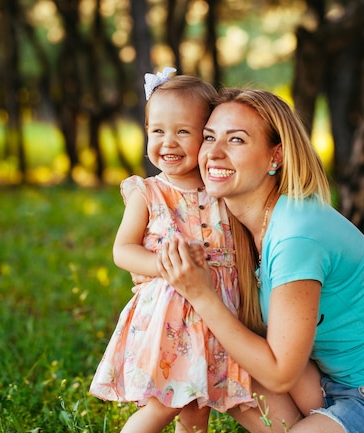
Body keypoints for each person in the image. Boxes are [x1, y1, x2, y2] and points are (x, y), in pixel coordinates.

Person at [157, 88, 364, 433]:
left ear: (275, 156)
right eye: (208, 137)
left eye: (236, 140)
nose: (214, 153)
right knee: (220, 356)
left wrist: (201, 294)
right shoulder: (238, 226)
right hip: (323, 387)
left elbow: (279, 374)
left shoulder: (296, 236)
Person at [89, 68, 257, 433]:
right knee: (163, 406)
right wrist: (165, 265)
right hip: (171, 319)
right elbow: (123, 251)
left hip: (220, 316)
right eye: (157, 131)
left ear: (207, 136)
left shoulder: (223, 190)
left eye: (183, 131)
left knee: (198, 409)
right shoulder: (147, 193)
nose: (169, 142)